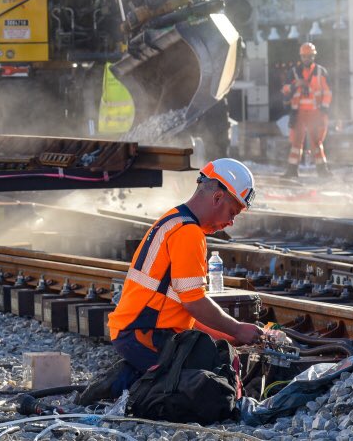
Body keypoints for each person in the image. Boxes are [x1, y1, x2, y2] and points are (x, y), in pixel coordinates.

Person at [78, 158, 265, 404]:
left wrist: (227, 336)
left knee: (214, 361)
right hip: (144, 335)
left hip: (140, 331)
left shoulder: (174, 220)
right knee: (208, 387)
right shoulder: (188, 234)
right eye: (233, 213)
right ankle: (125, 384)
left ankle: (139, 375)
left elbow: (183, 309)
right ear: (218, 198)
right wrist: (237, 328)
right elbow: (195, 303)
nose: (231, 222)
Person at [281, 42, 332, 178]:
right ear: (301, 57)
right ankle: (292, 170)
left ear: (313, 56)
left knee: (316, 142)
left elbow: (327, 92)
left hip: (315, 112)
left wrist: (324, 109)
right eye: (304, 56)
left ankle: (322, 171)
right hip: (299, 113)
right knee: (296, 143)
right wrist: (294, 86)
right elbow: (285, 90)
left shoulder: (321, 72)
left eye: (309, 56)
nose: (306, 59)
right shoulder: (293, 73)